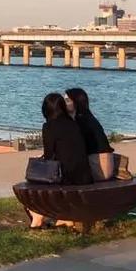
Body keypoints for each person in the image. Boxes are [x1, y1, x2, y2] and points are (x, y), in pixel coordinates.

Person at [28, 93, 92, 229]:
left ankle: (38, 215)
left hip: (66, 177)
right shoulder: (73, 124)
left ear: (46, 109)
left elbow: (49, 155)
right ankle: (64, 219)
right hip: (83, 175)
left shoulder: (49, 127)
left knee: (32, 181)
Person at [65, 87, 116, 180]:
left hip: (98, 167)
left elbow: (77, 148)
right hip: (105, 164)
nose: (63, 103)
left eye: (67, 100)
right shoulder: (88, 117)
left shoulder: (81, 121)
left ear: (76, 102)